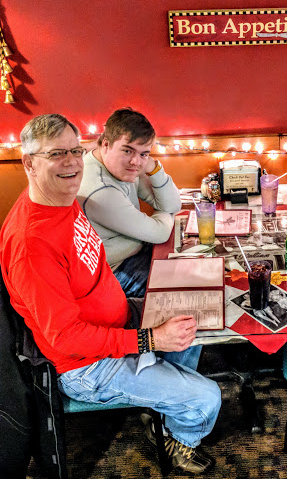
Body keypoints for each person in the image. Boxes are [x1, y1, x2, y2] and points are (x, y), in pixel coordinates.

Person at [0, 114, 221, 475]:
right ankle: (181, 439)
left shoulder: (62, 199)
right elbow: (67, 338)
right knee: (207, 397)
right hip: (85, 366)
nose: (72, 162)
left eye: (75, 150)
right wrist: (150, 339)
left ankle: (161, 403)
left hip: (117, 321)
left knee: (192, 318)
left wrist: (152, 333)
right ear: (29, 163)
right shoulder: (32, 245)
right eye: (56, 154)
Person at [77, 108, 182, 298]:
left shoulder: (122, 168)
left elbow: (173, 204)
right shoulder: (100, 190)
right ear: (106, 144)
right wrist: (164, 217)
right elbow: (160, 233)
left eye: (144, 154)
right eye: (127, 150)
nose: (135, 162)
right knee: (180, 286)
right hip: (112, 273)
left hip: (133, 254)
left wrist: (153, 167)